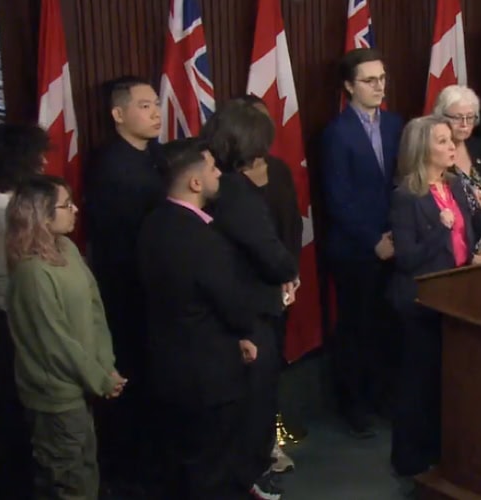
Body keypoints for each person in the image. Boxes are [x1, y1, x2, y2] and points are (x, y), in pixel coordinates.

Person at [137, 138, 261, 499]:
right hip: (210, 376)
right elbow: (233, 304)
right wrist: (246, 329)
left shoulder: (151, 225)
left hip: (166, 368)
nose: (219, 173)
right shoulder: (204, 239)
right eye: (211, 168)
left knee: (181, 468)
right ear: (194, 182)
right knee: (213, 472)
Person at [200, 99, 299, 499]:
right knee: (255, 404)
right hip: (252, 312)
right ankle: (252, 479)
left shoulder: (212, 185)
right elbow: (269, 252)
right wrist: (287, 271)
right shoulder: (236, 192)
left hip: (224, 315)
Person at [5, 175, 126, 500]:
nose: (75, 210)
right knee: (68, 482)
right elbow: (54, 343)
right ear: (42, 215)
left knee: (87, 472)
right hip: (56, 398)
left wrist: (106, 365)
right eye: (66, 205)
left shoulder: (68, 249)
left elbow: (94, 307)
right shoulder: (32, 272)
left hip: (83, 385)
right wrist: (100, 379)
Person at [388, 116, 481, 477]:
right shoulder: (406, 196)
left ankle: (441, 449)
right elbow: (405, 258)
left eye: (452, 140)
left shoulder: (455, 185)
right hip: (421, 301)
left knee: (446, 380)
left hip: (456, 295)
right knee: (418, 382)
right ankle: (410, 459)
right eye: (443, 141)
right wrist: (439, 230)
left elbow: (468, 235)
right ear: (422, 149)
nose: (452, 147)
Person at [83, 75, 164, 489]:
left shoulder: (159, 156)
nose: (156, 113)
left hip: (161, 292)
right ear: (118, 114)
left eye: (156, 104)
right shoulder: (109, 167)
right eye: (145, 106)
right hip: (127, 294)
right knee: (134, 383)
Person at [321, 48, 404, 437]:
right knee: (357, 328)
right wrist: (373, 241)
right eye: (370, 80)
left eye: (382, 78)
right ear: (349, 86)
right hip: (355, 250)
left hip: (395, 241)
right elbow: (337, 199)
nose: (379, 86)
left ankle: (382, 396)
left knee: (388, 325)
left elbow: (403, 181)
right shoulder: (336, 133)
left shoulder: (396, 125)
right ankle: (353, 405)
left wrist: (396, 234)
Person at [0, 123, 49, 498]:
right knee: (14, 428)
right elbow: (5, 281)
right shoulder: (1, 212)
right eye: (38, 156)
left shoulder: (7, 208)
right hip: (14, 328)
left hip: (18, 325)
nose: (44, 164)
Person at [233, 93, 304, 471]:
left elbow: (291, 224)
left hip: (281, 284)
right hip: (248, 292)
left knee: (273, 365)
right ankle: (252, 449)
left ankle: (271, 439)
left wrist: (290, 274)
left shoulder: (278, 169)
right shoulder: (228, 181)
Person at [431, 84, 481, 262]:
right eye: (457, 118)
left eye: (470, 117)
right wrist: (472, 257)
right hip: (456, 257)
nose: (464, 124)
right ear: (441, 117)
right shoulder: (434, 158)